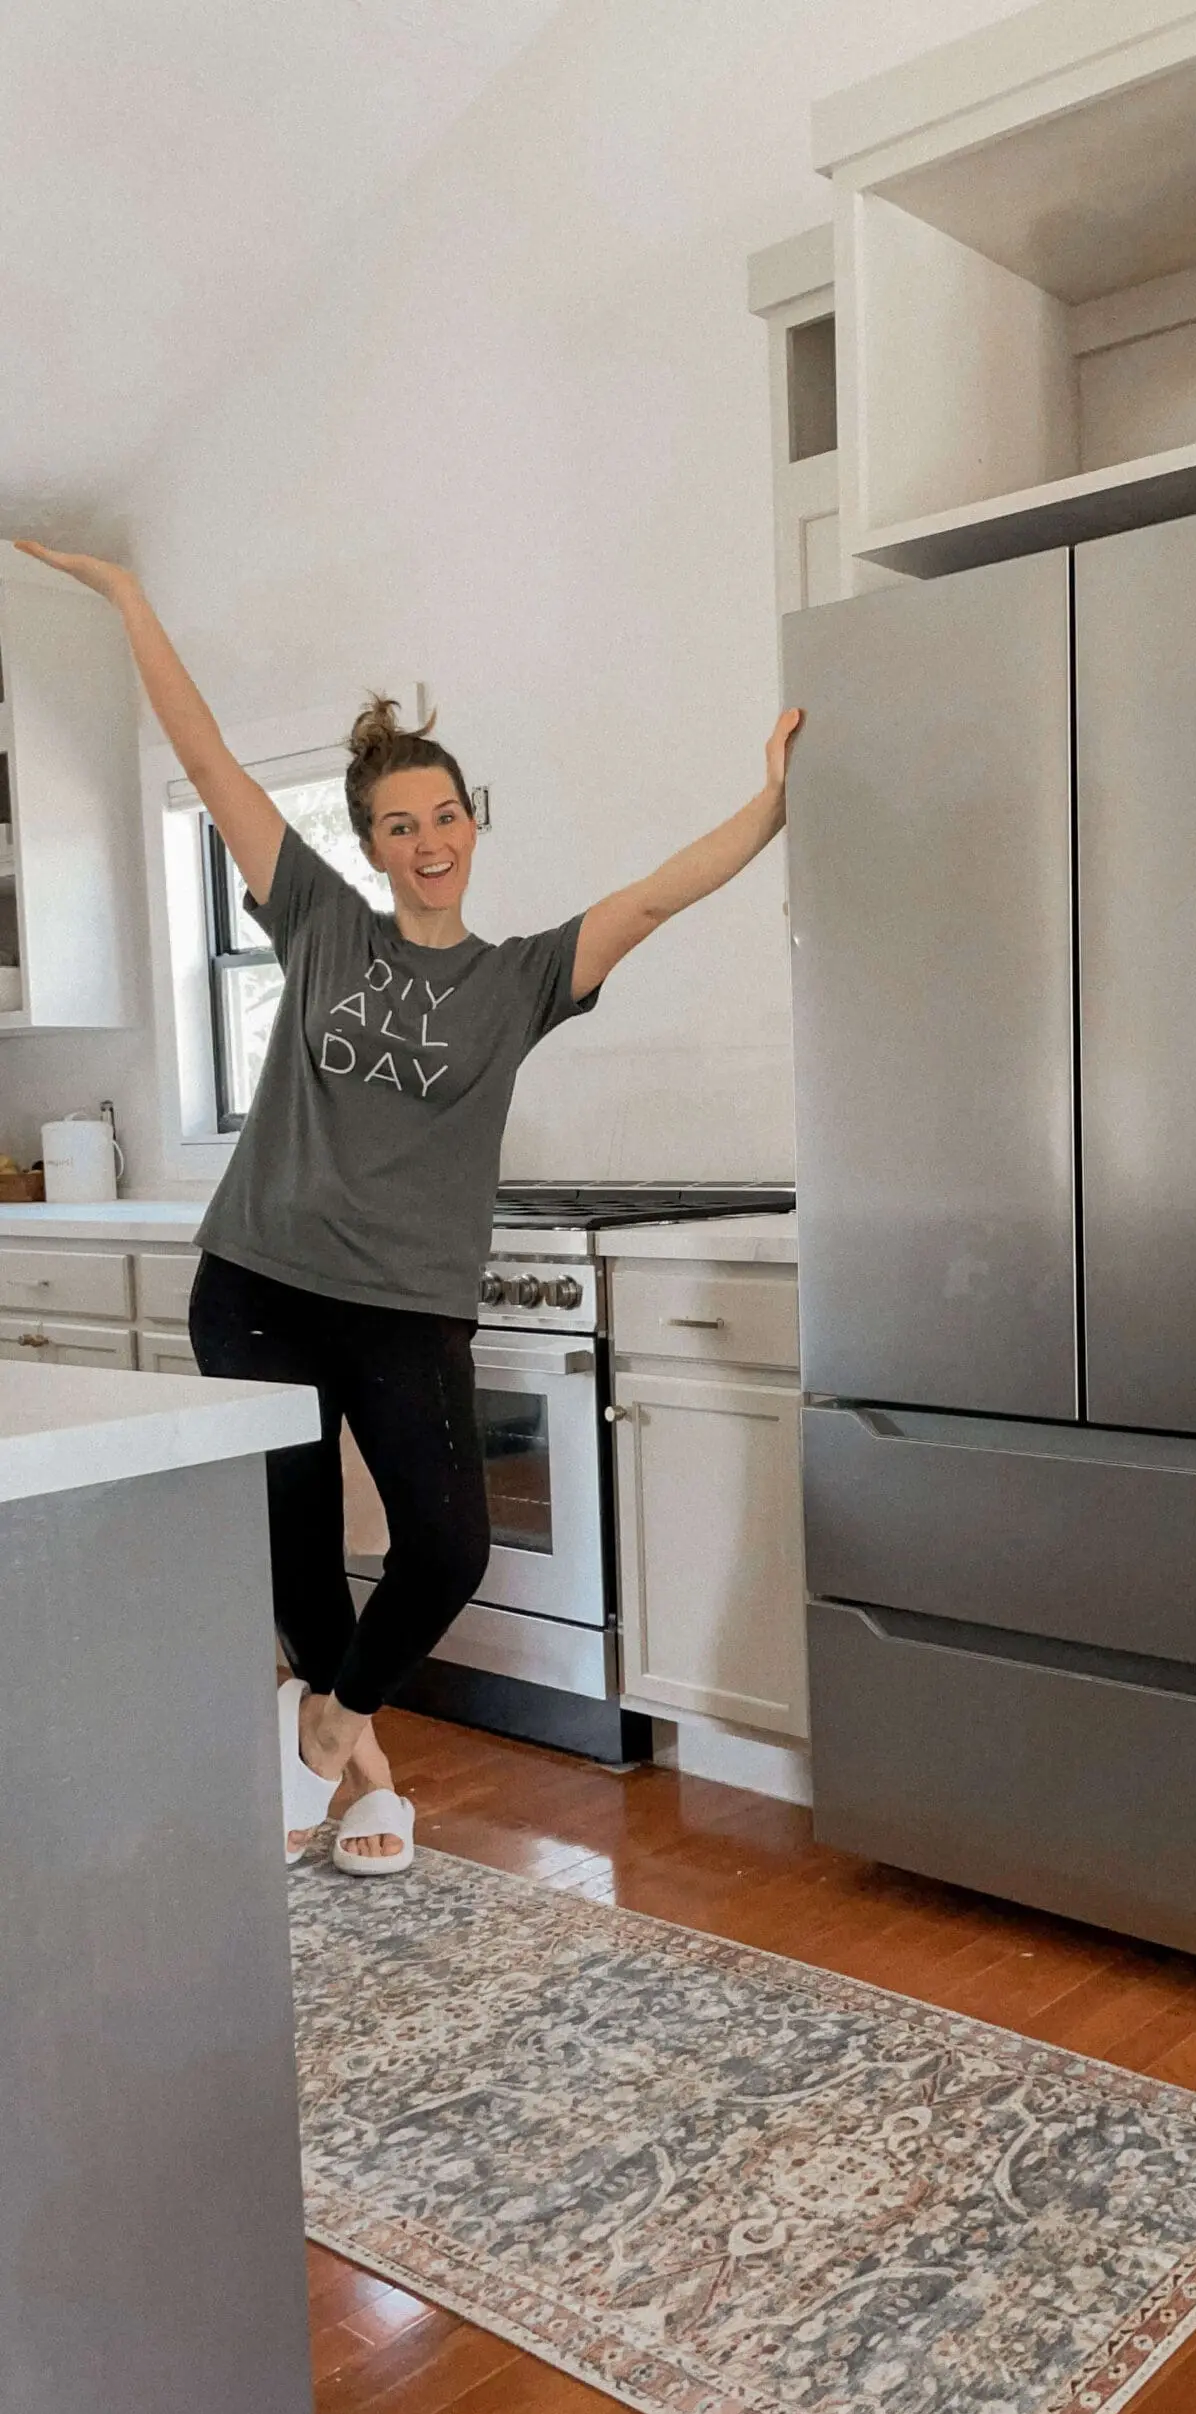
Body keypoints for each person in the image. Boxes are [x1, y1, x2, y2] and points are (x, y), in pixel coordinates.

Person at [17, 538, 800, 1876]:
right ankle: (368, 1779)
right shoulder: (319, 920)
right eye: (398, 825)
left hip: (407, 1305)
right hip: (259, 1283)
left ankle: (327, 1726)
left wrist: (774, 802)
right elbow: (207, 761)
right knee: (302, 1552)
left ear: (470, 824)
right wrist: (132, 599)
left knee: (445, 1543)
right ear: (371, 845)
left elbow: (663, 892)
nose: (426, 842)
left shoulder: (525, 977)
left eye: (444, 818)